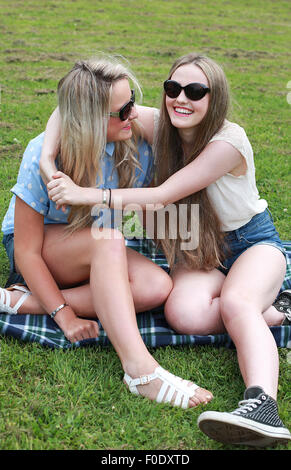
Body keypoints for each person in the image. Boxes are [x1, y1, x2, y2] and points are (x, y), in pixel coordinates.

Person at [40, 53, 290, 446]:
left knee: (237, 304)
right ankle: (276, 310)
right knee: (183, 314)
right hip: (199, 248)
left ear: (215, 98)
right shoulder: (163, 123)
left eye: (195, 91)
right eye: (173, 88)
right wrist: (44, 155)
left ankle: (262, 405)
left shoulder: (229, 141)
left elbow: (161, 195)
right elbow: (73, 106)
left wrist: (84, 194)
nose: (181, 99)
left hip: (251, 243)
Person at [0, 55, 214, 409]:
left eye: (132, 101)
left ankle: (22, 302)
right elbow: (25, 250)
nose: (135, 112)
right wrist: (64, 316)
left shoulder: (136, 144)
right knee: (110, 238)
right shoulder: (44, 153)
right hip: (44, 248)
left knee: (155, 286)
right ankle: (140, 370)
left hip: (99, 241)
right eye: (124, 109)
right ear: (90, 119)